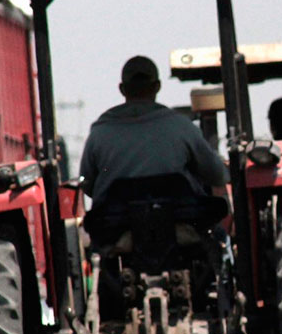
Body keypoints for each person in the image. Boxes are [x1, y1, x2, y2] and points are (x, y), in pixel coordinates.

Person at [80, 55, 227, 216]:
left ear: (122, 89)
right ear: (157, 86)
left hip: (116, 231)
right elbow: (218, 175)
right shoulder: (181, 127)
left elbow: (87, 184)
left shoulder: (100, 133)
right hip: (179, 228)